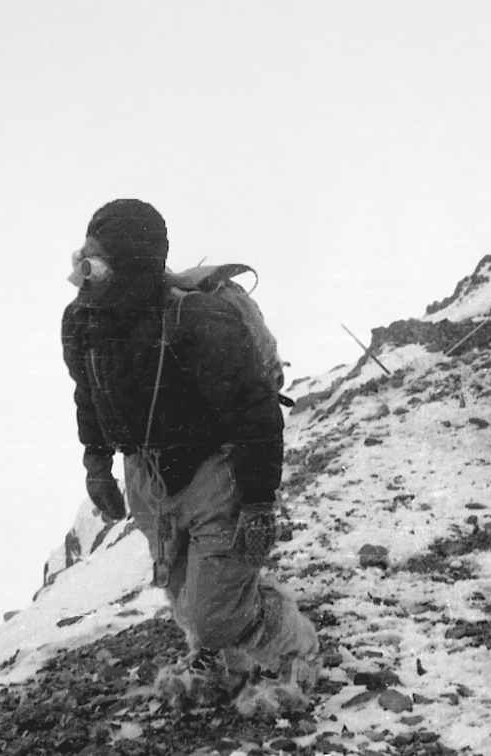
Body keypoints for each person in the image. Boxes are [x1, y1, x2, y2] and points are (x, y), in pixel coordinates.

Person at [60, 198, 318, 716]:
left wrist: (258, 505)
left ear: (132, 266)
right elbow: (88, 393)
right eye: (80, 260)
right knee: (180, 591)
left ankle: (293, 649)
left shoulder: (197, 321)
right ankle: (222, 659)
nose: (80, 276)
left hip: (213, 467)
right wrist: (97, 463)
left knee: (216, 611)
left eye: (95, 263)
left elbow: (255, 413)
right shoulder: (84, 321)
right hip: (147, 474)